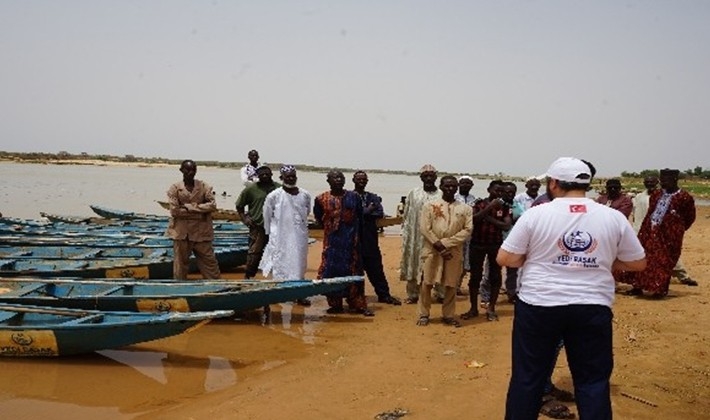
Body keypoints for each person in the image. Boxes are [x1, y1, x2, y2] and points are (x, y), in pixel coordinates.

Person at [497, 157, 646, 420]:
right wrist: (602, 260)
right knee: (592, 382)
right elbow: (638, 262)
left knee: (528, 378)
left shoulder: (536, 214)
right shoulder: (612, 217)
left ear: (553, 183)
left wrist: (537, 258)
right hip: (591, 306)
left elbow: (506, 258)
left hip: (539, 305)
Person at [623, 168, 696, 298]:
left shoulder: (684, 197)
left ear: (674, 180)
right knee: (642, 259)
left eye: (665, 180)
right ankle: (637, 287)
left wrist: (676, 230)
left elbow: (689, 217)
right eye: (661, 180)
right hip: (649, 233)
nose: (662, 183)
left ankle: (659, 290)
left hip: (670, 237)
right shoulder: (656, 195)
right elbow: (651, 213)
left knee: (663, 263)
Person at [314, 170, 373, 316]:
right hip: (332, 245)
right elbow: (319, 218)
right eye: (335, 178)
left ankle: (358, 304)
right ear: (328, 181)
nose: (339, 180)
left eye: (341, 177)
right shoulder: (321, 199)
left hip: (351, 244)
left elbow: (360, 217)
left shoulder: (354, 197)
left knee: (355, 273)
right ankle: (335, 304)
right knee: (331, 272)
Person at [417, 175, 473, 327]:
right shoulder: (430, 206)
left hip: (453, 252)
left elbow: (467, 230)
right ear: (441, 187)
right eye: (447, 186)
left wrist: (446, 243)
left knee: (451, 284)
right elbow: (424, 228)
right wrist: (438, 245)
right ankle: (424, 314)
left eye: (453, 186)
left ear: (457, 188)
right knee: (427, 283)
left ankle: (448, 315)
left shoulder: (465, 209)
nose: (450, 188)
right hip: (432, 250)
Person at [462, 180, 511, 321]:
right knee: (475, 277)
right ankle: (473, 308)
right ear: (489, 189)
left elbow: (506, 226)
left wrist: (488, 218)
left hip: (495, 244)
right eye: (496, 190)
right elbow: (474, 219)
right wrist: (490, 208)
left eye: (501, 191)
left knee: (495, 277)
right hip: (477, 244)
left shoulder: (505, 206)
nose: (499, 193)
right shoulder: (479, 204)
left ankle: (491, 308)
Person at [165, 159, 221, 279]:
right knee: (180, 266)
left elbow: (212, 205)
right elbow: (175, 211)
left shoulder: (204, 186)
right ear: (182, 170)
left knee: (210, 264)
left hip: (202, 233)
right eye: (188, 170)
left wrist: (190, 207)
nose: (191, 172)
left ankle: (216, 287)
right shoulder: (175, 188)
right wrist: (200, 212)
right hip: (181, 233)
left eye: (193, 170)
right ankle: (179, 289)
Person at [352, 170, 401, 305]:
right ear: (353, 180)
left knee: (376, 270)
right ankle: (357, 298)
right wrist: (368, 210)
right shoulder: (349, 196)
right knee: (356, 271)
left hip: (370, 240)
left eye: (364, 179)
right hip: (354, 240)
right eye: (359, 179)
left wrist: (364, 212)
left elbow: (379, 213)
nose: (361, 181)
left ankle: (384, 295)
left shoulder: (372, 197)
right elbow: (351, 214)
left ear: (367, 181)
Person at [259, 165, 312, 283]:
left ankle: (298, 290)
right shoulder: (273, 196)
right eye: (288, 177)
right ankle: (280, 288)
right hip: (280, 237)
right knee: (281, 262)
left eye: (293, 176)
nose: (291, 179)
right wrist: (269, 234)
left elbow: (307, 212)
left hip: (299, 237)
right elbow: (267, 216)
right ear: (281, 178)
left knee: (299, 263)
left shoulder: (305, 194)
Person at [400, 164, 442, 304]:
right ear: (421, 177)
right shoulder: (414, 193)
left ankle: (440, 293)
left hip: (436, 236)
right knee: (414, 262)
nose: (429, 178)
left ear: (436, 177)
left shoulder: (441, 194)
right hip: (415, 236)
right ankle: (413, 294)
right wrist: (406, 234)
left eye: (431, 175)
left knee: (438, 263)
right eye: (426, 176)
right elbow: (407, 215)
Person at [235, 166, 280, 280]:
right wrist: (245, 218)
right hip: (258, 226)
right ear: (258, 176)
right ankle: (248, 276)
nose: (265, 176)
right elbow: (239, 205)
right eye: (262, 175)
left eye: (267, 174)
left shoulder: (279, 188)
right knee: (254, 253)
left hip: (276, 227)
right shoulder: (251, 189)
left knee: (278, 253)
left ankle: (278, 277)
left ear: (271, 174)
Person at [454, 175, 476, 295]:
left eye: (468, 183)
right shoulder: (453, 197)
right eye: (463, 183)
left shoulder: (474, 199)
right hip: (454, 234)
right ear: (459, 184)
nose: (465, 185)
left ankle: (457, 286)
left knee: (465, 262)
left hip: (468, 235)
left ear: (472, 186)